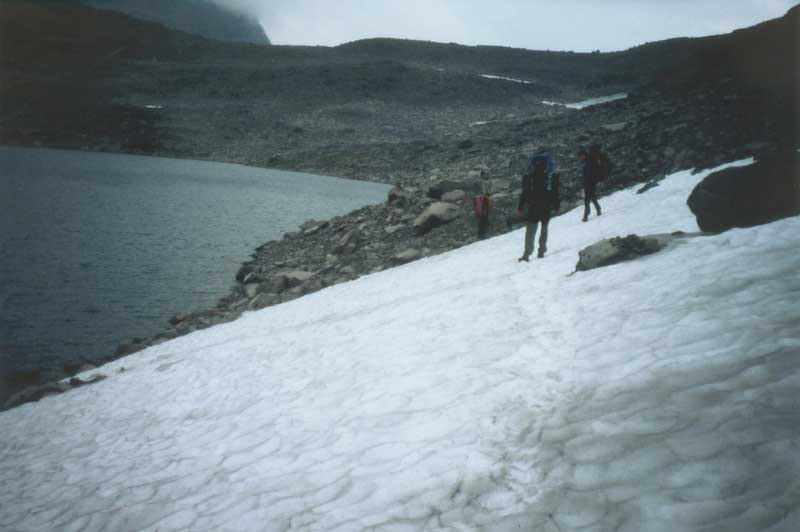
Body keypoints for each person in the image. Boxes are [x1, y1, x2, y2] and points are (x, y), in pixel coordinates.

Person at [515, 149, 560, 261]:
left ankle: (527, 254)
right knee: (544, 227)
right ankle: (542, 250)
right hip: (546, 204)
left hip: (533, 205)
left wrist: (520, 206)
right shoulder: (551, 175)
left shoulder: (529, 175)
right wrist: (556, 205)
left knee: (530, 229)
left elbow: (525, 191)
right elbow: (555, 191)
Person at [581, 144, 610, 222]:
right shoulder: (585, 162)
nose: (581, 157)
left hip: (591, 182)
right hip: (588, 182)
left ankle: (586, 214)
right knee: (592, 197)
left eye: (582, 155)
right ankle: (598, 208)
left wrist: (592, 180)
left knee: (587, 198)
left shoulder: (589, 161)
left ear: (585, 155)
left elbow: (591, 172)